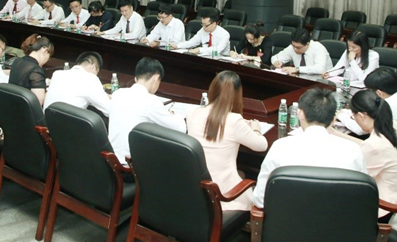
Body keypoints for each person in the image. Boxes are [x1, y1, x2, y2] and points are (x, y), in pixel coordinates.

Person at [252, 87, 366, 208]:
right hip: (339, 218)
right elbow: (363, 198)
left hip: (288, 218)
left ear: (300, 113)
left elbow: (260, 200)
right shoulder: (354, 150)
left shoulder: (280, 147)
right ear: (333, 119)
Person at [186, 71, 267, 211]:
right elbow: (262, 145)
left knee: (240, 173)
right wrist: (256, 129)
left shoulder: (192, 112)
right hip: (222, 195)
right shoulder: (234, 121)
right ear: (237, 95)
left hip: (195, 189)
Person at [335, 90, 397, 220]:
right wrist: (335, 133)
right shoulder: (393, 125)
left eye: (353, 117)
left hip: (385, 208)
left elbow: (355, 180)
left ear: (362, 116)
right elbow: (368, 145)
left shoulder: (374, 145)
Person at [108, 58, 186, 166]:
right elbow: (181, 128)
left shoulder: (118, 94)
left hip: (112, 162)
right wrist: (174, 115)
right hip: (131, 166)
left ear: (136, 78)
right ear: (156, 78)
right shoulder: (151, 101)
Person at [43, 51, 111, 116]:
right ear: (92, 67)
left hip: (46, 121)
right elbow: (109, 109)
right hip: (68, 122)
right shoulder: (91, 79)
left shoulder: (57, 74)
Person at [8, 34, 53, 106]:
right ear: (45, 51)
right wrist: (52, 89)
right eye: (49, 56)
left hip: (11, 106)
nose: (47, 60)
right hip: (25, 110)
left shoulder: (17, 61)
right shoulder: (36, 70)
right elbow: (39, 102)